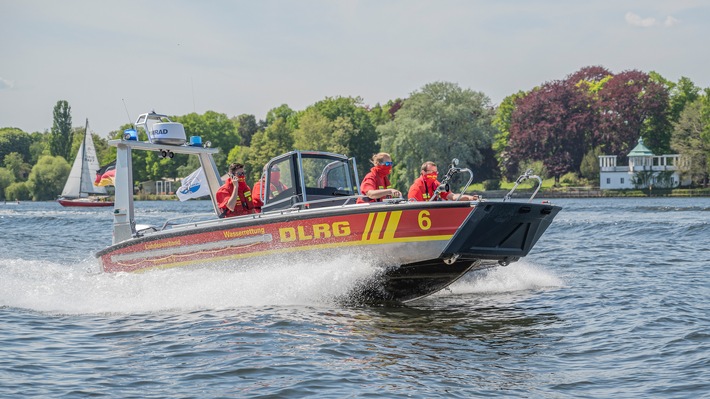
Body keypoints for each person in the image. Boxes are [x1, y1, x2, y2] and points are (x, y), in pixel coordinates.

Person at [408, 161, 478, 202]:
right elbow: (414, 210)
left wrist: (470, 198)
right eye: (432, 172)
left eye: (436, 172)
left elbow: (453, 196)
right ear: (423, 172)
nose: (434, 174)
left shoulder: (436, 185)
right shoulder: (416, 188)